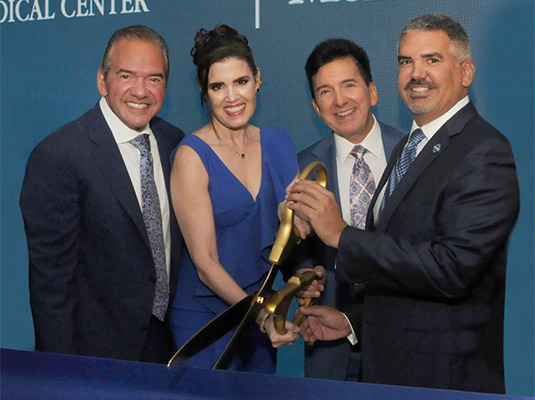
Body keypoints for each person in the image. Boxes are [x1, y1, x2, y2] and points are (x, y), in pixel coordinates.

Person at [289, 14, 519, 393]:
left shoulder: (485, 150)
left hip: (444, 380)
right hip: (394, 373)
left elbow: (453, 269)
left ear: (466, 72)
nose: (416, 73)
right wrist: (351, 322)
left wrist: (341, 235)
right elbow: (401, 274)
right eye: (405, 61)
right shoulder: (410, 147)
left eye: (432, 60)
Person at [20, 26, 185, 364]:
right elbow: (52, 286)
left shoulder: (174, 143)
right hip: (94, 357)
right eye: (127, 75)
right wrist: (62, 374)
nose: (140, 91)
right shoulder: (60, 155)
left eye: (154, 78)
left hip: (169, 349)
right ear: (102, 80)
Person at [169, 24, 299, 373]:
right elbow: (206, 263)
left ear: (257, 78)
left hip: (258, 318)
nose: (232, 97)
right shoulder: (191, 156)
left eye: (240, 82)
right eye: (217, 86)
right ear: (203, 91)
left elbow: (291, 229)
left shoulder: (277, 142)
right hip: (207, 322)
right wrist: (259, 314)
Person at [290, 39, 403, 381]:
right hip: (329, 343)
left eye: (349, 85)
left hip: (402, 339)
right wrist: (305, 275)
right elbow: (297, 252)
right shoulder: (302, 167)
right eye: (325, 91)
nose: (339, 100)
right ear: (315, 105)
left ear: (373, 92)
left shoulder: (413, 155)